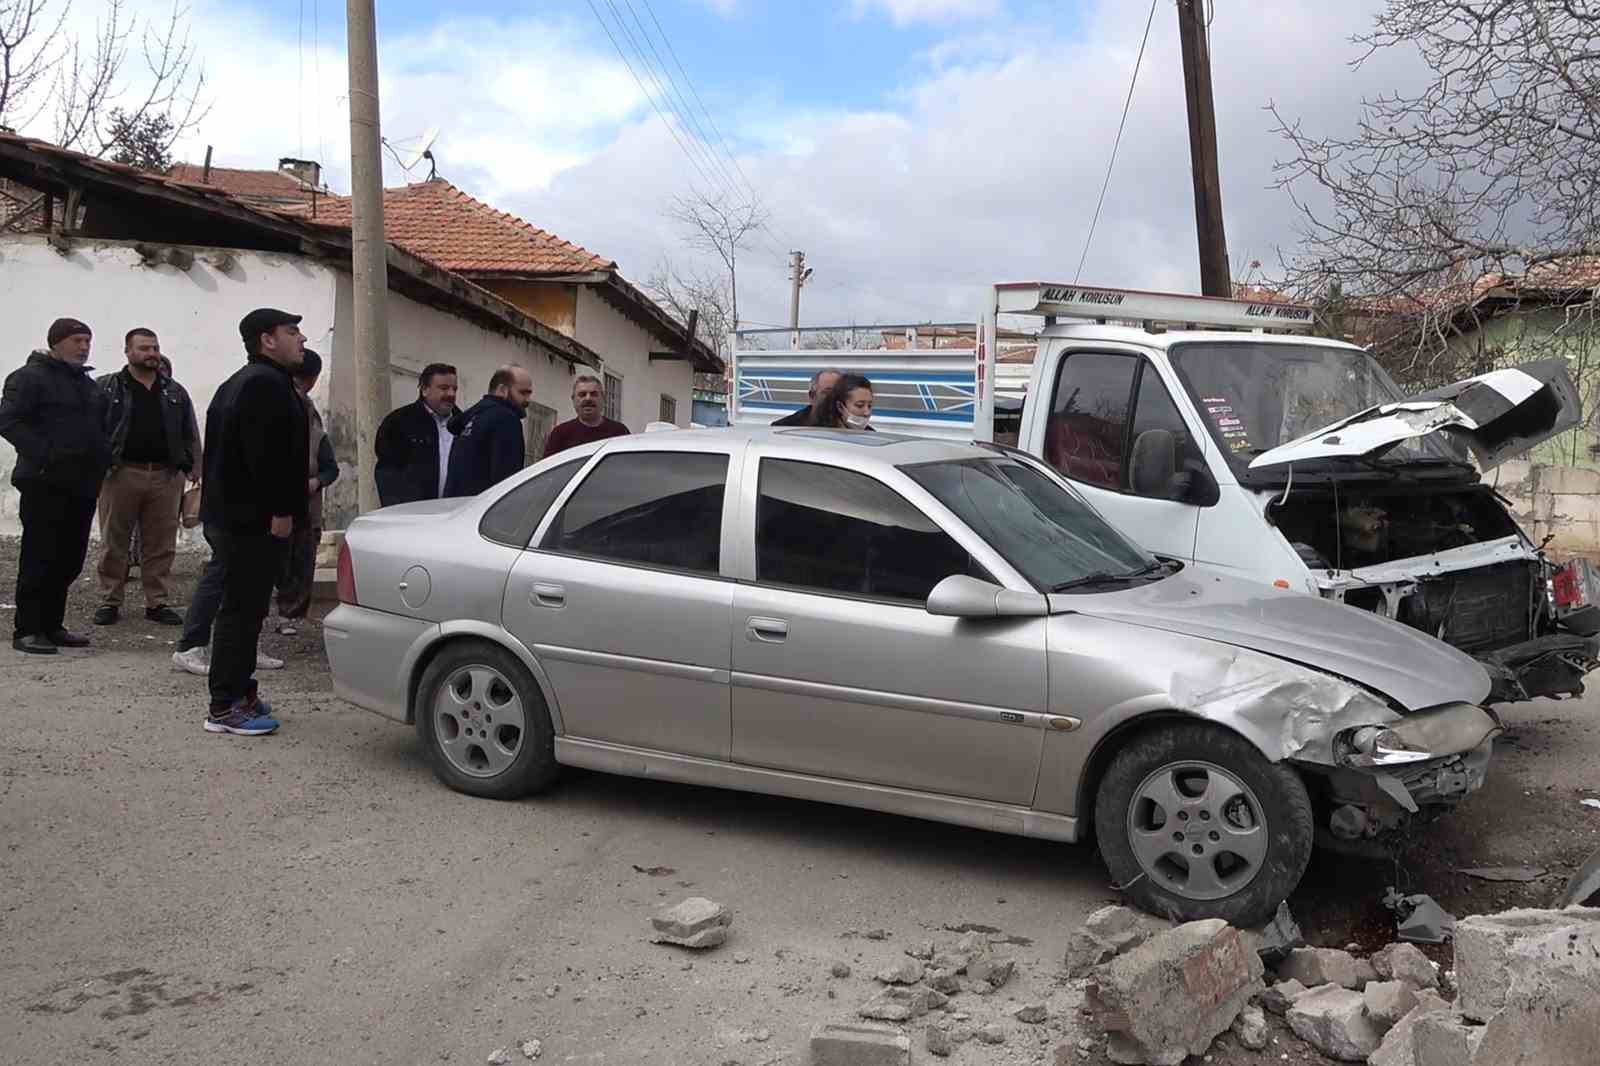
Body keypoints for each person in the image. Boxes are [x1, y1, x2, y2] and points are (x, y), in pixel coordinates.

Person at [195, 308, 309, 735]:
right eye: (292, 331)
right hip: (251, 521)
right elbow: (266, 459)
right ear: (267, 340)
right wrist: (280, 512)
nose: (301, 339)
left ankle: (241, 691)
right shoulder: (263, 385)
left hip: (238, 517)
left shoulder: (252, 381)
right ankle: (224, 707)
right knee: (240, 612)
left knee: (246, 610)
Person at [0, 318, 113, 655]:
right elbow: (8, 420)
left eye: (87, 341)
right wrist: (46, 455)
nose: (84, 347)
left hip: (82, 483)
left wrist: (103, 457)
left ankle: (52, 625)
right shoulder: (29, 377)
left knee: (69, 558)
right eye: (77, 340)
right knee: (40, 556)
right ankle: (28, 629)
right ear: (56, 342)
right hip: (44, 481)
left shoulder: (86, 384)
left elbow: (99, 426)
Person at [92, 328, 199, 627]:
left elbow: (190, 431)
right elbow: (93, 429)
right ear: (128, 352)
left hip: (166, 475)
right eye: (143, 348)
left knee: (161, 543)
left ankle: (157, 602)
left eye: (154, 348)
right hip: (121, 473)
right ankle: (110, 600)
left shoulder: (174, 391)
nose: (151, 353)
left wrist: (195, 466)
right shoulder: (107, 387)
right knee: (115, 540)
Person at [275, 348, 338, 635]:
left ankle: (291, 615)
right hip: (277, 500)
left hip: (305, 502)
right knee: (279, 558)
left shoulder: (312, 416)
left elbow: (329, 466)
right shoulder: (278, 404)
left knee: (301, 557)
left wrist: (316, 482)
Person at [374, 362, 458, 506]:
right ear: (425, 390)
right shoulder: (399, 422)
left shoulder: (465, 424)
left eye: (454, 389)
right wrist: (399, 509)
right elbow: (387, 473)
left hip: (455, 514)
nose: (451, 394)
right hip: (414, 516)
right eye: (444, 388)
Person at [443, 365, 533, 496]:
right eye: (523, 393)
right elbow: (506, 480)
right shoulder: (506, 419)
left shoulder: (472, 418)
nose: (527, 400)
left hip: (456, 507)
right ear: (502, 390)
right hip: (484, 511)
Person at [542, 373, 629, 457]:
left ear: (603, 399)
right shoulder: (560, 434)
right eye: (582, 394)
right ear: (573, 400)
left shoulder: (620, 432)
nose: (588, 398)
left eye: (594, 394)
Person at [771, 368, 842, 428]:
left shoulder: (848, 426)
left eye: (839, 393)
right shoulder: (783, 428)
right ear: (812, 396)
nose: (834, 398)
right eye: (827, 393)